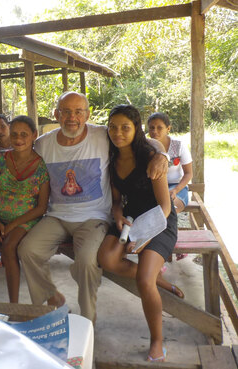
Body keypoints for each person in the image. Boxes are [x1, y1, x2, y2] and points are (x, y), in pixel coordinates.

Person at [16, 92, 169, 323]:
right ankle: (51, 299)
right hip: (56, 216)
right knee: (27, 250)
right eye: (66, 111)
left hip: (94, 217)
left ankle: (87, 319)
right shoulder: (43, 144)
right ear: (56, 114)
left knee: (87, 261)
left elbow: (148, 142)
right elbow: (20, 156)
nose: (72, 117)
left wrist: (163, 155)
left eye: (79, 112)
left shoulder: (102, 135)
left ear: (87, 115)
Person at [97, 105, 183, 362]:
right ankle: (161, 280)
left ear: (136, 130)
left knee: (144, 280)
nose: (118, 133)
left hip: (159, 220)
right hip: (131, 217)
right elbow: (115, 201)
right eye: (113, 127)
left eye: (125, 127)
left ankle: (157, 341)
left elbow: (166, 206)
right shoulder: (111, 160)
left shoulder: (150, 158)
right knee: (107, 259)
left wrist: (145, 236)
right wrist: (117, 215)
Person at [0, 116, 50, 303]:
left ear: (34, 136)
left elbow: (41, 207)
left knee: (8, 247)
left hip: (26, 219)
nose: (18, 139)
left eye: (24, 134)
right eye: (14, 134)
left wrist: (11, 225)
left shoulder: (41, 167)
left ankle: (13, 306)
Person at [148, 112, 193, 214]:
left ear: (168, 129)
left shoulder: (178, 145)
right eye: (151, 128)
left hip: (176, 186)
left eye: (159, 128)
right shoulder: (146, 147)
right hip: (153, 187)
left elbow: (188, 173)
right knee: (152, 208)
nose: (155, 131)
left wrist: (176, 190)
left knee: (170, 208)